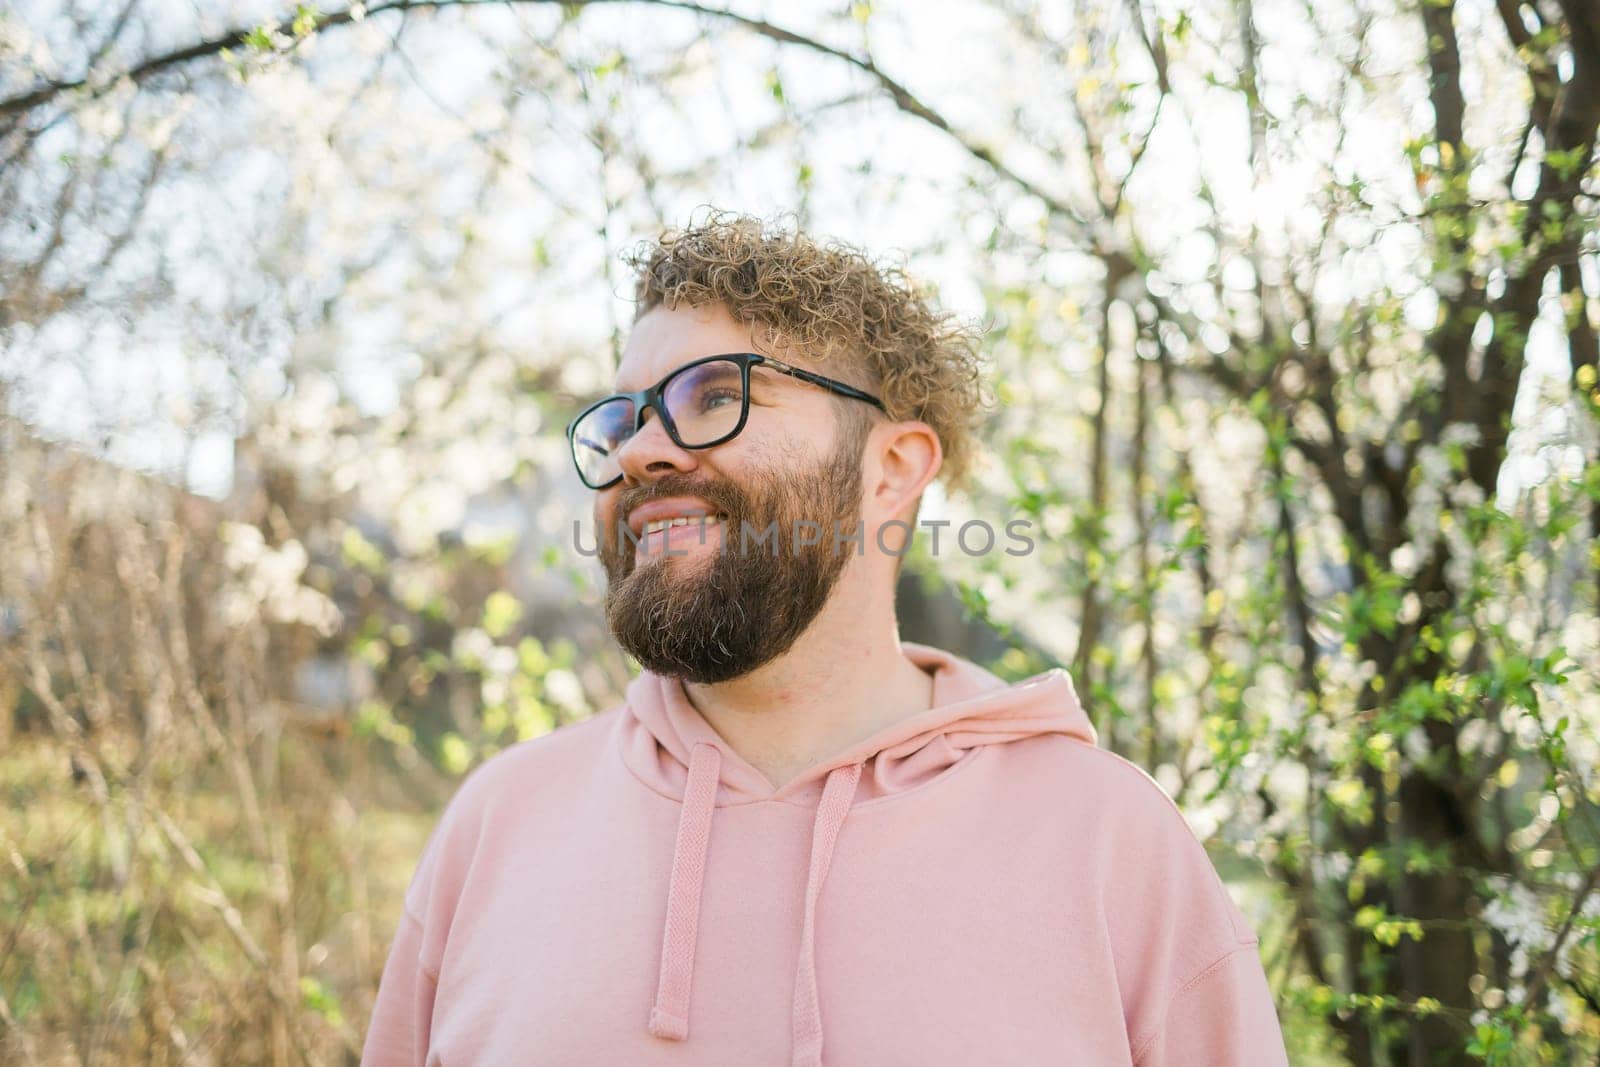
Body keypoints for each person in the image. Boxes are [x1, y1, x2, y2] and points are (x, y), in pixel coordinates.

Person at [361, 210, 1290, 1065]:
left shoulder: (1112, 844)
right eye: (624, 418)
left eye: (713, 393)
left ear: (891, 470)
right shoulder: (497, 825)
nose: (641, 451)